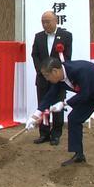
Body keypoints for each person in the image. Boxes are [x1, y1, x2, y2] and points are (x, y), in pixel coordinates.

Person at [30, 11, 72, 146]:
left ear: (55, 21)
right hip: (42, 78)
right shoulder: (38, 37)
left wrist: (55, 72)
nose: (45, 24)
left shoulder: (66, 36)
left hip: (57, 78)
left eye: (48, 21)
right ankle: (44, 133)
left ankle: (56, 134)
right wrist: (42, 71)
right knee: (43, 106)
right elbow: (34, 55)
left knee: (57, 105)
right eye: (43, 22)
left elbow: (67, 57)